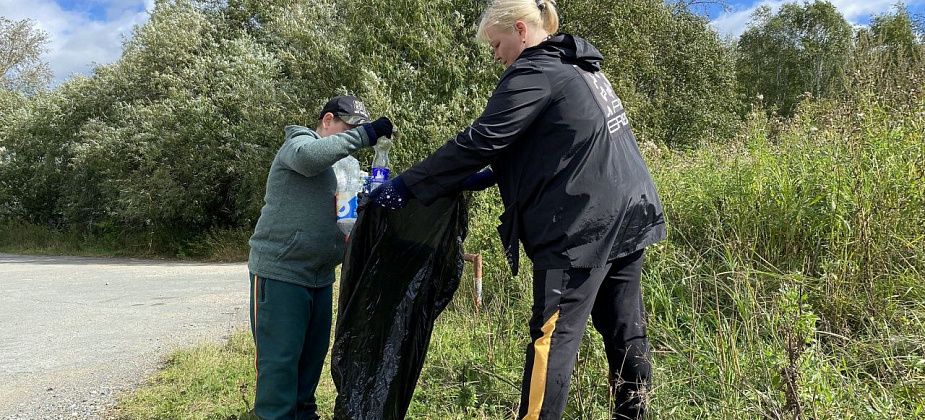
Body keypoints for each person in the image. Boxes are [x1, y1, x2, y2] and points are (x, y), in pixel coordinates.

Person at [366, 1, 666, 418]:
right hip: (629, 213)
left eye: (497, 43)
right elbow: (557, 142)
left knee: (552, 339)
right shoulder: (579, 65)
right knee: (626, 332)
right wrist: (483, 177)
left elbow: (481, 139)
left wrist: (408, 184)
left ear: (521, 31)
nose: (496, 55)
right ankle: (636, 413)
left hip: (582, 228)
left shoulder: (534, 70)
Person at [247, 95, 392, 419]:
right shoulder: (299, 144)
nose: (352, 138)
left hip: (320, 276)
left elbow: (351, 214)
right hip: (281, 274)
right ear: (327, 120)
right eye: (349, 128)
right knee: (280, 368)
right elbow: (311, 158)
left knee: (310, 366)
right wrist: (367, 135)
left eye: (358, 131)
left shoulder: (345, 166)